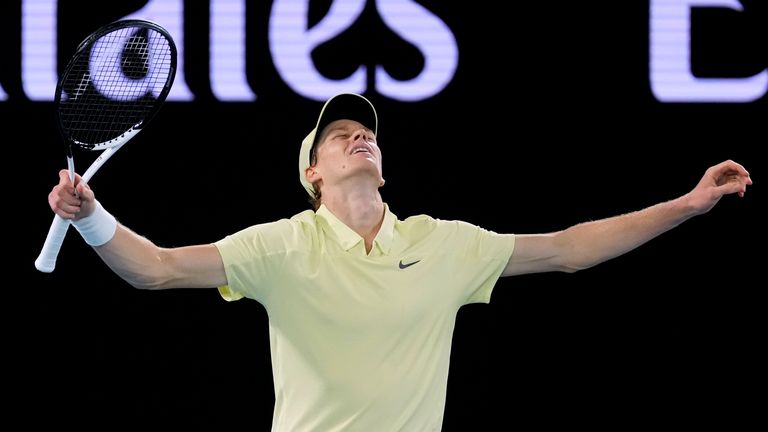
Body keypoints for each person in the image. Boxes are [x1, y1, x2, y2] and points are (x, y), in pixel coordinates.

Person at [47, 93, 752, 431]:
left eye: (366, 134)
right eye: (340, 135)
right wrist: (93, 219)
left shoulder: (443, 244)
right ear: (312, 175)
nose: (359, 139)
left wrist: (685, 206)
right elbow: (157, 268)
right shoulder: (280, 245)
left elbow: (568, 250)